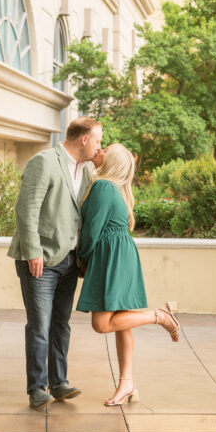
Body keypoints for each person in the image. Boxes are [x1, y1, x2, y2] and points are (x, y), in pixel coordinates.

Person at [8, 117, 103, 410]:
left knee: (61, 324)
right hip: (41, 259)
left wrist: (83, 258)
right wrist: (33, 251)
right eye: (98, 140)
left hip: (70, 261)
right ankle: (37, 388)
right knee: (40, 324)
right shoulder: (44, 161)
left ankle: (59, 383)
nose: (100, 146)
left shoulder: (86, 170)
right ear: (84, 139)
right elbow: (26, 210)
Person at [76, 143, 180, 407]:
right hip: (120, 255)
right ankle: (127, 384)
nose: (99, 151)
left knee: (102, 324)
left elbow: (91, 232)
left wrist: (81, 261)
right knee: (122, 322)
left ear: (111, 160)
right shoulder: (115, 189)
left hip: (111, 258)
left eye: (105, 149)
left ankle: (160, 316)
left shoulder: (103, 187)